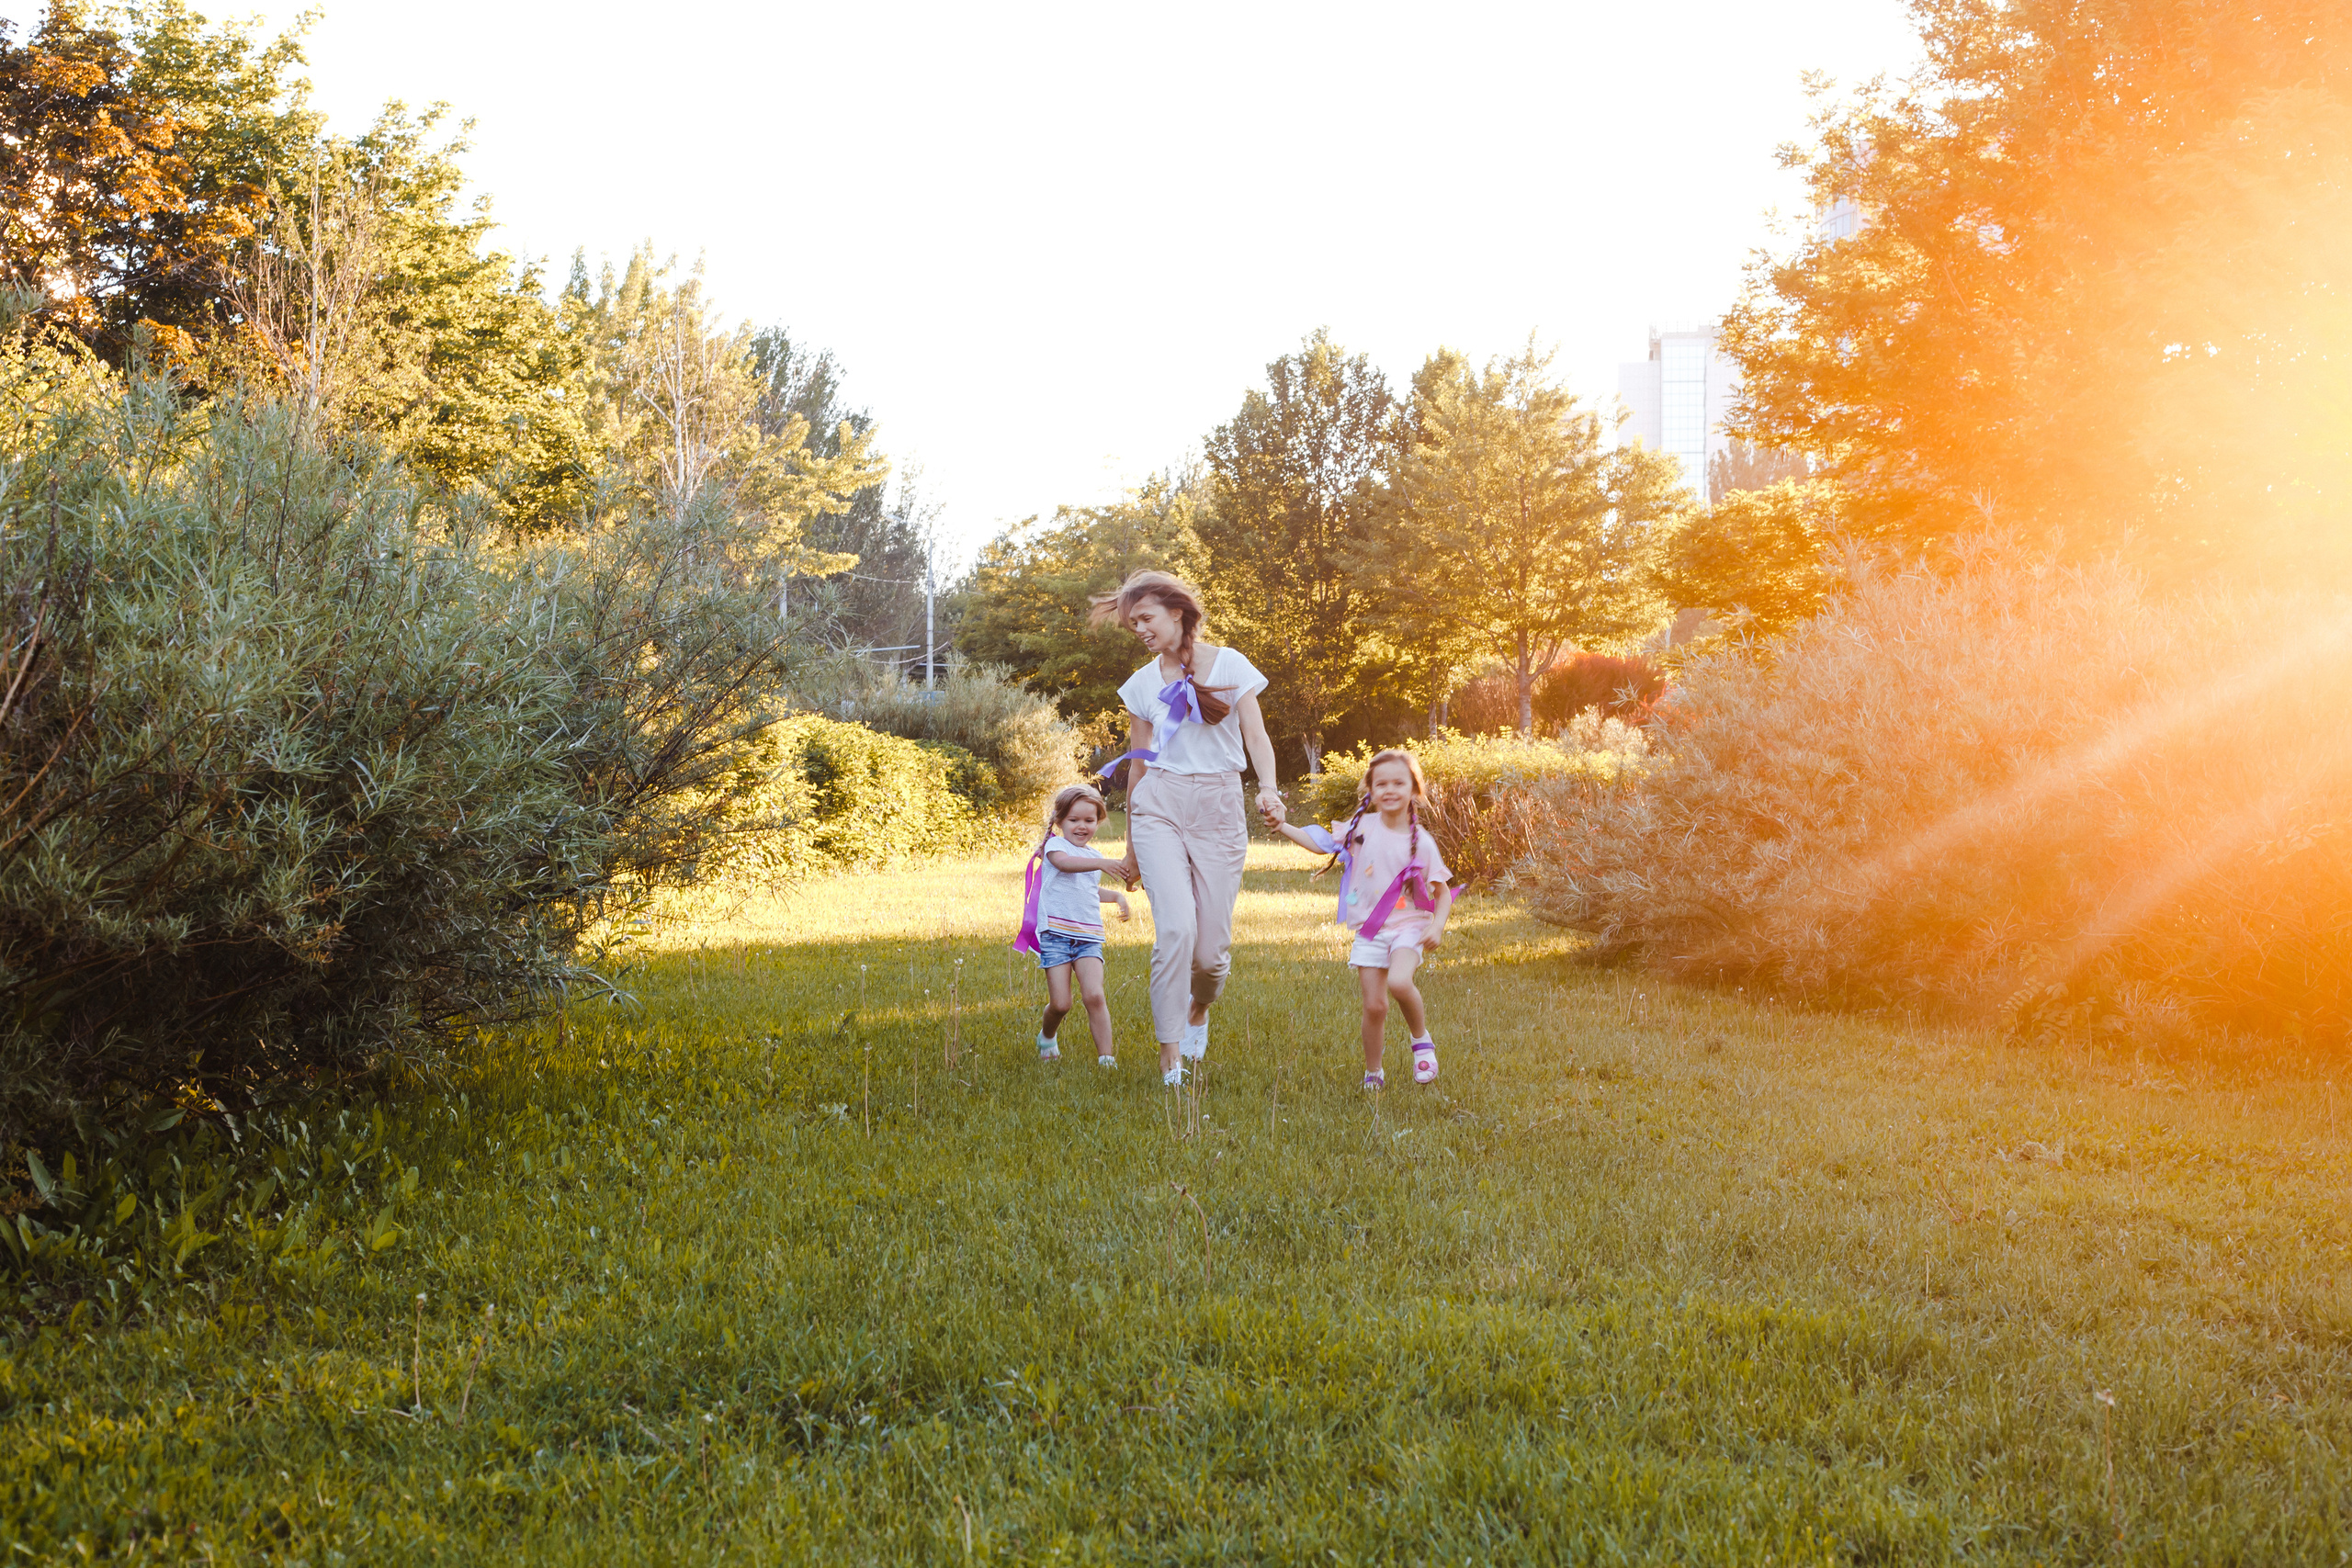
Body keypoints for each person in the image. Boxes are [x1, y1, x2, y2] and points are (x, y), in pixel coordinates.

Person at [1091, 571, 1281, 1087]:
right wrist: (1129, 846)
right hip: (1161, 809)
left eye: (1146, 618)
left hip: (1219, 807)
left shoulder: (1230, 664)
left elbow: (1256, 734)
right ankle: (1170, 1055)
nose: (1141, 630)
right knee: (1175, 930)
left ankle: (1198, 1010)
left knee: (1211, 955)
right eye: (1133, 624)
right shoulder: (1141, 684)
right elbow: (1138, 767)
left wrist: (1268, 788)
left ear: (1177, 612)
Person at [1265, 749, 1455, 1089]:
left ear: (1414, 789)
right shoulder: (1362, 828)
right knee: (1375, 1006)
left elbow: (1442, 894)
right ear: (1370, 790)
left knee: (1399, 982)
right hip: (1371, 930)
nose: (1390, 790)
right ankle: (1374, 1073)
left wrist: (1437, 926)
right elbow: (1321, 843)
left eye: (1399, 782)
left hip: (1408, 928)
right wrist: (1284, 826)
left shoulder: (1422, 843)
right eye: (1381, 783)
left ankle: (1421, 1040)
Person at [1013, 784, 1133, 1066]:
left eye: (1089, 820)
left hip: (1088, 937)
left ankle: (1106, 1059)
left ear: (1098, 821)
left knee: (1094, 995)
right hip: (1055, 936)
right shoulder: (1055, 847)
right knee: (1061, 1004)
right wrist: (1102, 863)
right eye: (1074, 820)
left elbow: (1086, 890)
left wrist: (1116, 896)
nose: (1082, 826)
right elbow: (1066, 865)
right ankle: (1047, 1035)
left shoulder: (1093, 856)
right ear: (1059, 821)